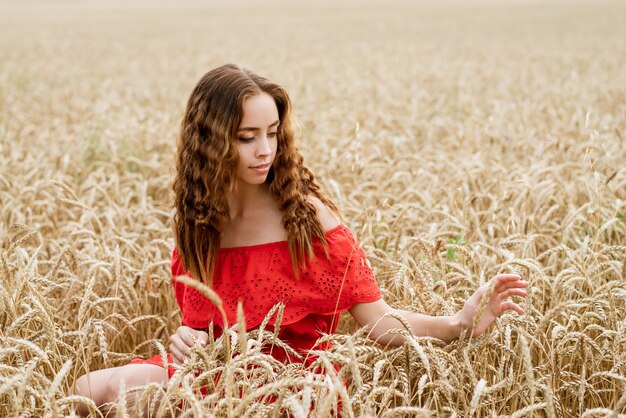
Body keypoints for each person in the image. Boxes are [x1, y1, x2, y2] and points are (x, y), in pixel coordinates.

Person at [73, 64, 529, 416]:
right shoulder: (195, 222)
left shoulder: (307, 220)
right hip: (214, 376)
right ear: (209, 143)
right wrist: (185, 340)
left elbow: (379, 321)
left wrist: (458, 325)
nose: (265, 150)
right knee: (85, 390)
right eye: (246, 137)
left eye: (272, 133)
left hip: (293, 385)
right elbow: (202, 326)